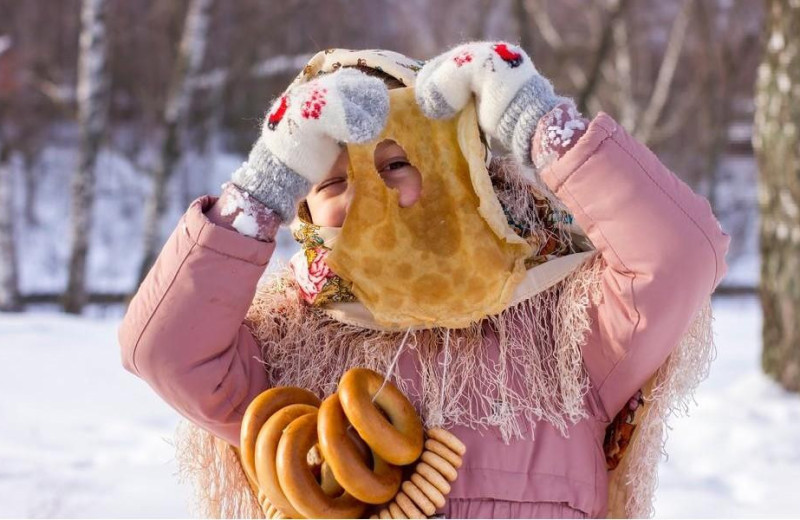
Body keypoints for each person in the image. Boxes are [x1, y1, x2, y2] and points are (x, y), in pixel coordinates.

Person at [119, 42, 730, 518]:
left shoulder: (564, 332)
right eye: (330, 181)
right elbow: (162, 351)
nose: (369, 192)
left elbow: (680, 257)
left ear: (461, 174)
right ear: (302, 208)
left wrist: (539, 123)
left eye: (396, 162)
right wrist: (265, 182)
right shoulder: (285, 348)